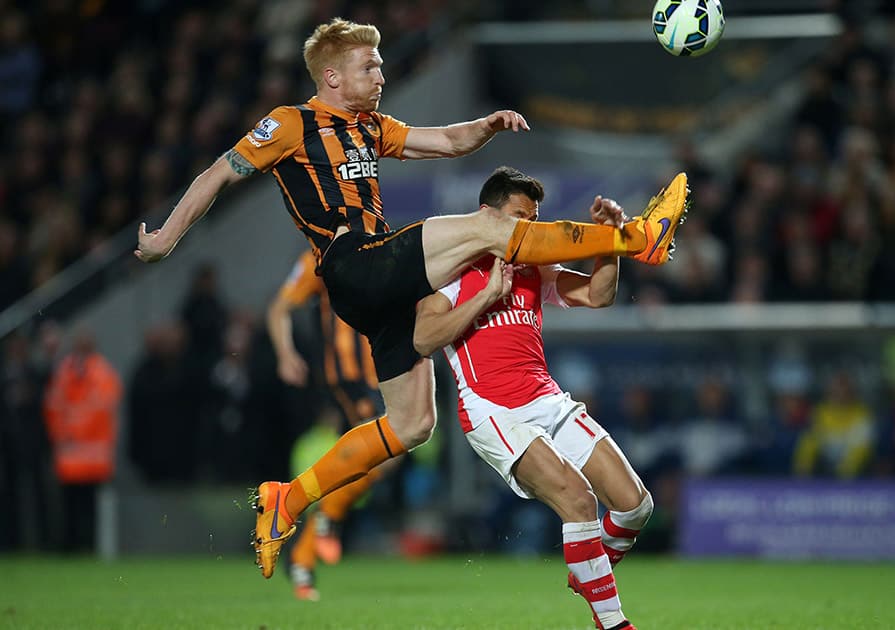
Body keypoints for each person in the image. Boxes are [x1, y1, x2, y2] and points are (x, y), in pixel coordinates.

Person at [133, 16, 689, 579]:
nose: (380, 73)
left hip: (375, 291)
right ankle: (635, 237)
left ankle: (288, 500)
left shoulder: (370, 127)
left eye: (378, 64)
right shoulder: (289, 123)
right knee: (488, 228)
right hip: (355, 264)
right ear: (330, 75)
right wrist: (164, 239)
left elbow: (447, 141)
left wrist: (488, 124)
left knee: (412, 424)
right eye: (367, 66)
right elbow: (217, 174)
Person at [413, 167, 649, 630]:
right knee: (579, 502)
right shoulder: (449, 270)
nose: (528, 228)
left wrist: (610, 241)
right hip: (492, 410)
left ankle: (588, 570)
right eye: (520, 217)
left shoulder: (532, 268)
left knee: (636, 506)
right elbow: (423, 338)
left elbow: (599, 296)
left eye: (533, 218)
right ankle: (613, 623)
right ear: (487, 215)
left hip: (547, 400)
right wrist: (486, 298)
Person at [267, 249, 397, 600]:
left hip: (381, 370)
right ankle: (322, 522)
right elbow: (279, 309)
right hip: (352, 372)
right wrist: (285, 354)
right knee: (391, 446)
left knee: (381, 456)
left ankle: (307, 548)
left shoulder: (380, 245)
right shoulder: (318, 257)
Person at [42, 329, 122, 552]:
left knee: (90, 506)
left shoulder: (102, 372)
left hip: (92, 455)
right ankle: (70, 546)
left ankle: (90, 546)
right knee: (69, 505)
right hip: (70, 454)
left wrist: (73, 428)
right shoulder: (65, 371)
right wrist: (61, 433)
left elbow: (103, 407)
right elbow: (53, 406)